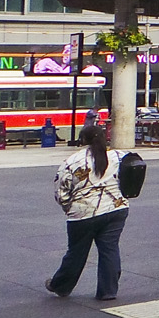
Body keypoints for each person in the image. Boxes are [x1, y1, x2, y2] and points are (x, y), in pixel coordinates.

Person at [46, 126, 129, 300]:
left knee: (76, 252)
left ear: (83, 140)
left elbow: (61, 191)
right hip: (116, 208)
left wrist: (70, 208)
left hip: (83, 213)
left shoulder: (72, 162)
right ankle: (108, 291)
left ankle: (61, 285)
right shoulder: (119, 157)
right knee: (110, 249)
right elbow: (135, 171)